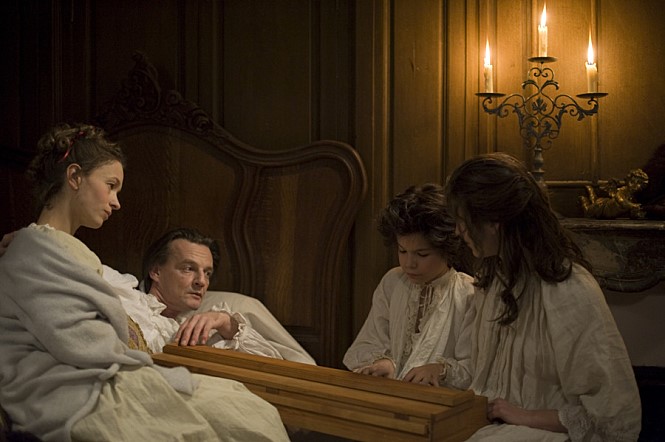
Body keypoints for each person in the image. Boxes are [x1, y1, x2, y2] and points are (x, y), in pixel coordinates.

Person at [0, 123, 290, 441]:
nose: (116, 202)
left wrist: (223, 322)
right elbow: (83, 341)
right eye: (110, 186)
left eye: (207, 273)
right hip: (79, 384)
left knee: (247, 407)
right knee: (210, 424)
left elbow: (275, 364)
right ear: (75, 177)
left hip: (113, 368)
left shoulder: (58, 251)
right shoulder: (50, 252)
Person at [443, 152, 641, 441]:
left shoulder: (568, 289)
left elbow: (614, 417)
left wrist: (523, 415)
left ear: (494, 221)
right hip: (493, 424)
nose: (458, 231)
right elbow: (481, 374)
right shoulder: (493, 279)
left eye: (464, 220)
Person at [106, 227, 316, 364]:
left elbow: (272, 367)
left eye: (207, 273)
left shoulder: (201, 327)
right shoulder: (124, 299)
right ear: (156, 271)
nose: (202, 281)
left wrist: (226, 324)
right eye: (188, 268)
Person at [343, 183, 475, 388]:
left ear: (447, 249)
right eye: (402, 251)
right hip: (391, 395)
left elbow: (475, 366)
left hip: (439, 400)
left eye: (422, 254)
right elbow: (371, 339)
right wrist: (384, 363)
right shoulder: (393, 282)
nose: (408, 264)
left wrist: (440, 370)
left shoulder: (468, 294)